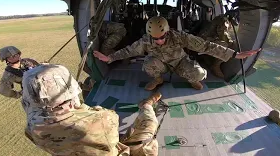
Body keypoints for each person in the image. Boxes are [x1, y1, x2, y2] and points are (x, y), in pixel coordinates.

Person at [22, 64, 161, 156]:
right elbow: (111, 117)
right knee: (148, 126)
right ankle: (147, 106)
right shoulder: (102, 120)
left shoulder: (32, 127)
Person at [93, 16, 261, 91]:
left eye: (162, 37)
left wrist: (233, 55)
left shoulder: (180, 37)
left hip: (180, 62)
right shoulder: (145, 40)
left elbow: (206, 46)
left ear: (167, 31)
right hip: (160, 63)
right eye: (155, 38)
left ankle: (191, 79)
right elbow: (129, 50)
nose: (159, 41)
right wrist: (110, 57)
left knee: (199, 74)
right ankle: (158, 79)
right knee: (148, 64)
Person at [198, 13, 236, 78]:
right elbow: (223, 34)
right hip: (203, 41)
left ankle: (206, 58)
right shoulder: (224, 21)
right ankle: (215, 66)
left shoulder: (220, 17)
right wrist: (231, 42)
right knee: (226, 46)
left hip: (201, 39)